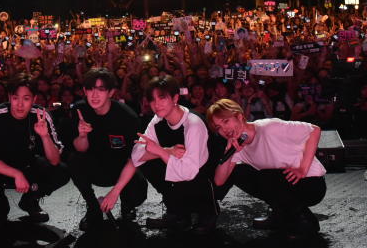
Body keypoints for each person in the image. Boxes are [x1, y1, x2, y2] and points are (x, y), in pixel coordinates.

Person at [103, 75, 215, 234]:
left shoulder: (193, 124)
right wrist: (115, 191)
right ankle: (176, 211)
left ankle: (205, 211)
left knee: (157, 155)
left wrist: (161, 151)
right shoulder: (157, 120)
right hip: (179, 173)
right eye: (152, 99)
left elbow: (189, 171)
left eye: (162, 98)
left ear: (175, 98)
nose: (156, 104)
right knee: (147, 159)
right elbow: (135, 157)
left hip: (201, 177)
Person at [209, 99, 326, 238]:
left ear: (239, 116)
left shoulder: (269, 127)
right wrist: (229, 151)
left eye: (226, 122)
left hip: (311, 184)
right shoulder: (238, 146)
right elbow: (219, 181)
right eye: (218, 128)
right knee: (238, 172)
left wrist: (303, 168)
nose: (224, 130)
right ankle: (279, 213)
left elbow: (314, 130)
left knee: (267, 176)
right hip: (283, 182)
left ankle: (305, 220)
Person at [0, 73, 69, 226]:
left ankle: (30, 200)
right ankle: (1, 205)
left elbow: (54, 160)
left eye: (26, 99)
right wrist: (16, 174)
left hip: (28, 164)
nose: (20, 104)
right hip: (1, 168)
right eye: (15, 98)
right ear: (9, 97)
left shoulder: (41, 115)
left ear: (34, 99)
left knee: (62, 171)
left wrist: (45, 136)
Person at [67, 68, 147, 230]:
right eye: (90, 89)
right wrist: (82, 135)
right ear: (84, 91)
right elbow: (79, 150)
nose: (94, 95)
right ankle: (93, 208)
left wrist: (115, 192)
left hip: (121, 167)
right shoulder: (79, 110)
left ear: (111, 92)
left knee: (138, 190)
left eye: (101, 89)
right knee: (74, 161)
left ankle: (127, 207)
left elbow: (135, 158)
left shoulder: (127, 117)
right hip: (95, 166)